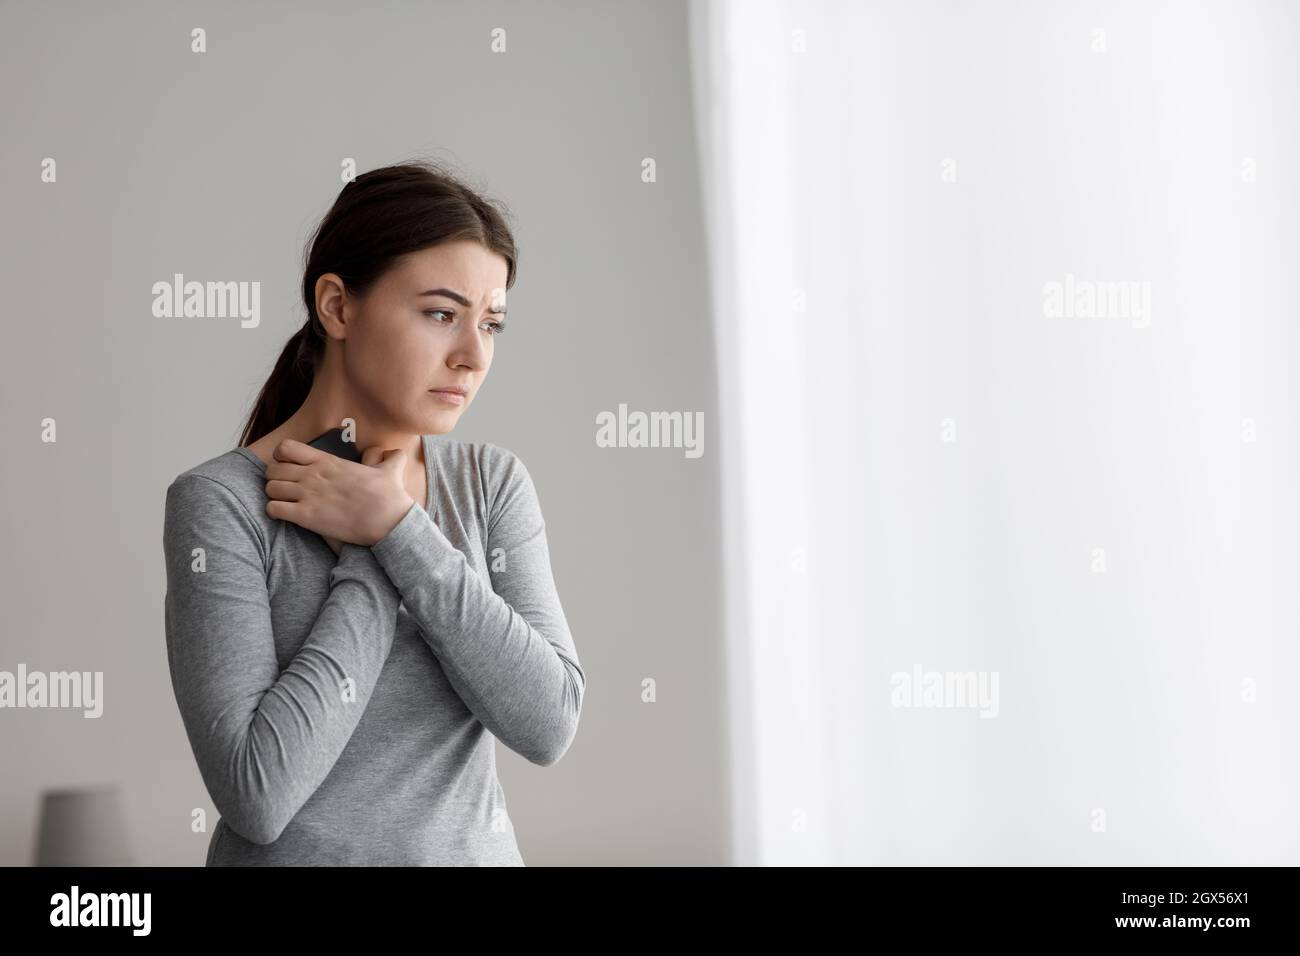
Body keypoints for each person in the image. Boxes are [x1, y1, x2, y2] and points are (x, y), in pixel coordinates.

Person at [162, 161, 585, 865]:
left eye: (492, 324)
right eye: (441, 314)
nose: (473, 355)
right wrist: (369, 557)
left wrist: (398, 530)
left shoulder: (491, 485)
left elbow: (549, 723)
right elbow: (257, 796)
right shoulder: (222, 504)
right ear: (337, 306)